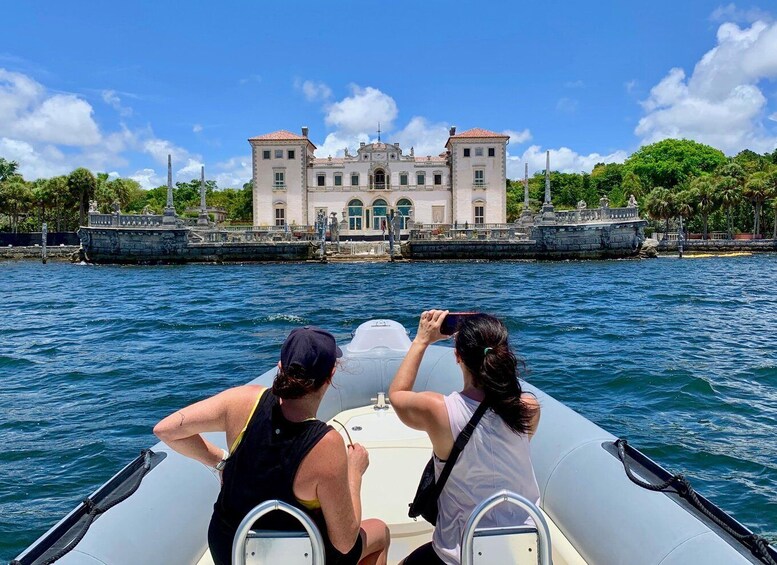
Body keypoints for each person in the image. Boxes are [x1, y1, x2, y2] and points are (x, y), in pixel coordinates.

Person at [154, 326, 390, 565]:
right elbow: (345, 541)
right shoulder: (326, 444)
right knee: (380, 532)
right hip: (305, 557)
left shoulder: (240, 402)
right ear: (330, 375)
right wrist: (354, 474)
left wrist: (221, 462)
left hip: (231, 553)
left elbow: (167, 430)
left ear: (280, 367)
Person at [389, 311, 541, 565]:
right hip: (521, 548)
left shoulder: (439, 411)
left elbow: (397, 394)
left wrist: (421, 340)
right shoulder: (528, 409)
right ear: (502, 354)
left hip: (461, 553)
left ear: (458, 357)